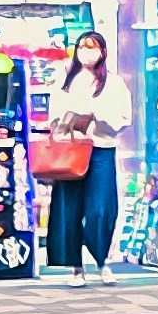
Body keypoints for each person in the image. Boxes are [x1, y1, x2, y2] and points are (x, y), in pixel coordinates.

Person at [33, 31, 118, 276]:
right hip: (70, 152)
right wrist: (66, 122)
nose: (86, 52)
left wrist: (94, 118)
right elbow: (54, 117)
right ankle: (76, 267)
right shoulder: (64, 80)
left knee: (100, 210)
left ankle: (101, 260)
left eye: (91, 47)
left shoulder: (114, 83)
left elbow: (122, 118)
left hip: (100, 150)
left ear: (102, 51)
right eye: (82, 47)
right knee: (68, 210)